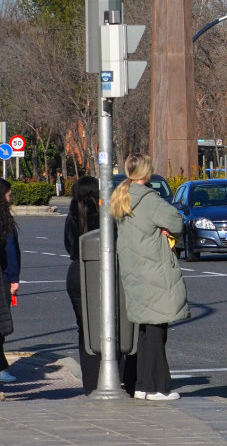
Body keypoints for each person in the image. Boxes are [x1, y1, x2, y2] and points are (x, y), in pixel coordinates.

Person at [109, 154, 188, 401]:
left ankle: (141, 384)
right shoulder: (149, 200)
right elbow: (176, 220)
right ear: (147, 173)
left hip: (134, 270)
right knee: (157, 329)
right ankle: (157, 387)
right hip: (153, 269)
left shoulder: (121, 196)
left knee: (144, 330)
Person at [64, 176, 102, 393]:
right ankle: (111, 376)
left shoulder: (72, 214)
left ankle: (91, 383)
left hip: (76, 272)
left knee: (85, 329)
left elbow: (68, 245)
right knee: (107, 325)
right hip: (99, 272)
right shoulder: (101, 215)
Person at [0, 178, 20, 390]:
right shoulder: (4, 221)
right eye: (8, 194)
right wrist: (13, 278)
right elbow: (10, 253)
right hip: (4, 278)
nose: (11, 197)